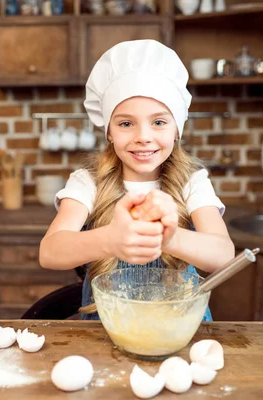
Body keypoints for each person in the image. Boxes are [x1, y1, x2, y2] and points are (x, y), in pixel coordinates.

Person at [38, 40, 235, 321]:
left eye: (158, 122)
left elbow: (224, 254)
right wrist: (110, 239)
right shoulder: (89, 182)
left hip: (180, 329)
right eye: (126, 123)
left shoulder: (193, 182)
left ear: (177, 129)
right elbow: (49, 252)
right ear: (108, 131)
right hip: (106, 332)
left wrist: (170, 237)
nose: (143, 136)